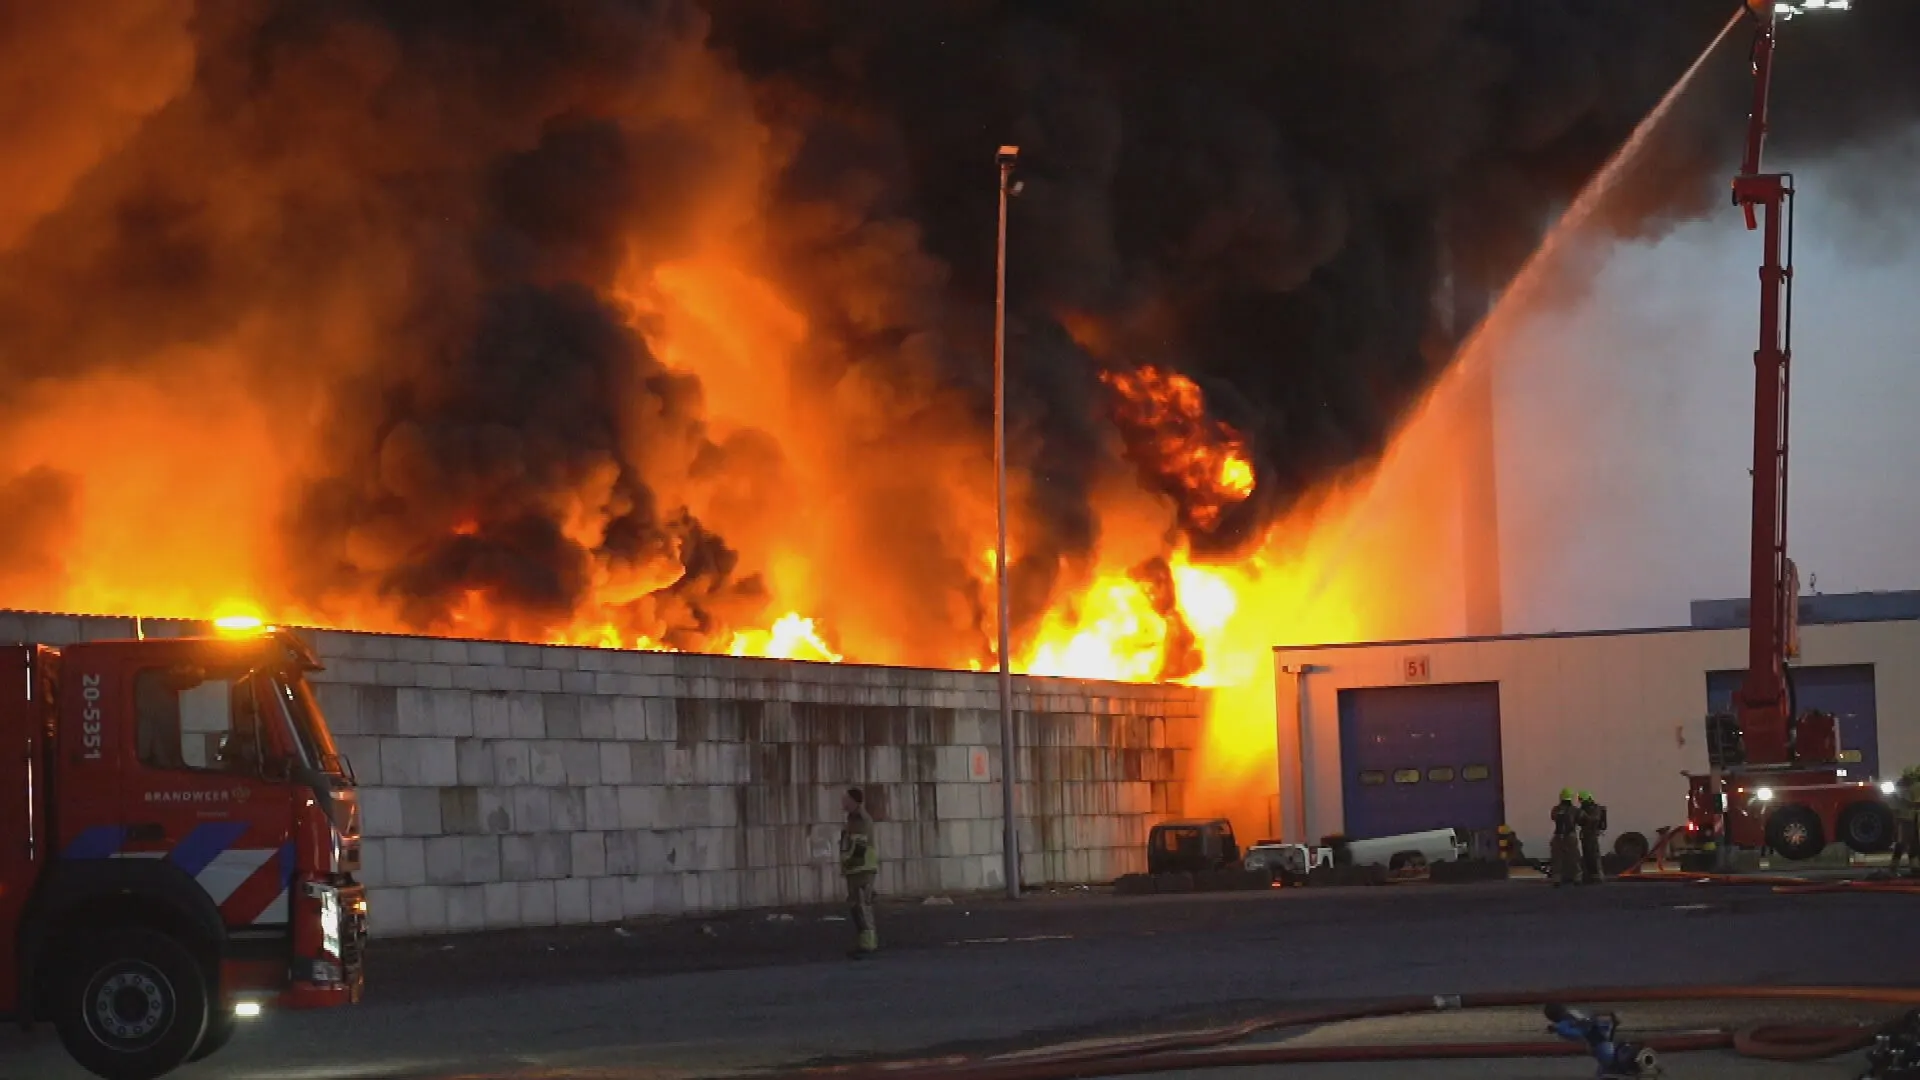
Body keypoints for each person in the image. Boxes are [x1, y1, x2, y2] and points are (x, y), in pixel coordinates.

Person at [840, 787, 880, 957]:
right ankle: (864, 942)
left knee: (863, 907)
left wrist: (849, 863)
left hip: (862, 869)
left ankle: (868, 944)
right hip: (855, 869)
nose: (843, 802)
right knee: (856, 907)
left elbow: (859, 846)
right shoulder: (851, 819)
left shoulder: (861, 820)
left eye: (846, 799)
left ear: (854, 801)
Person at [1892, 768, 1920, 877]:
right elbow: (1914, 803)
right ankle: (1894, 867)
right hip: (1908, 819)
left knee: (1911, 843)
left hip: (1907, 818)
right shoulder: (1914, 787)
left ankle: (1914, 867)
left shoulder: (1902, 787)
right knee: (1904, 843)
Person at [1550, 789, 1580, 887]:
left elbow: (1553, 817)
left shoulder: (1556, 809)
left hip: (1558, 835)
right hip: (1570, 835)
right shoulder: (1574, 809)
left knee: (1557, 857)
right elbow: (1581, 820)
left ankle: (1557, 878)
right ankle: (1577, 877)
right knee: (1573, 857)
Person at [1576, 791, 1607, 885]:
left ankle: (1596, 876)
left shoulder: (1592, 809)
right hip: (1588, 834)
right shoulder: (1594, 808)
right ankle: (1592, 875)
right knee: (1589, 855)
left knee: (1592, 854)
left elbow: (1591, 820)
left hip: (1590, 834)